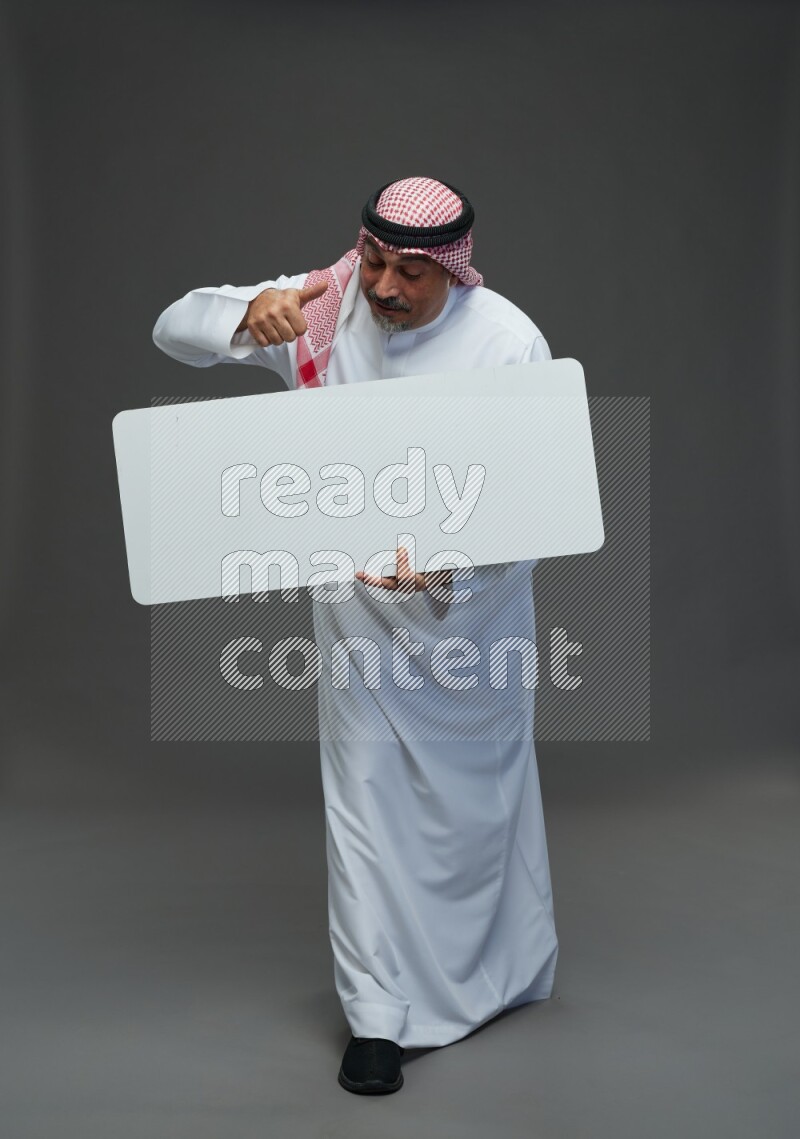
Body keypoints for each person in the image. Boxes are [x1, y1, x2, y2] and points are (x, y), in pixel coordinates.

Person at [152, 177, 559, 1096]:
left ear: (452, 269)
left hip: (473, 628)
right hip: (360, 636)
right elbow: (172, 327)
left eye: (410, 273)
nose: (383, 288)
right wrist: (244, 314)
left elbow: (539, 504)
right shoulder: (324, 312)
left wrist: (453, 565)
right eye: (374, 260)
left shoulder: (509, 343)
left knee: (483, 808)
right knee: (368, 809)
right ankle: (380, 1017)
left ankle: (507, 972)